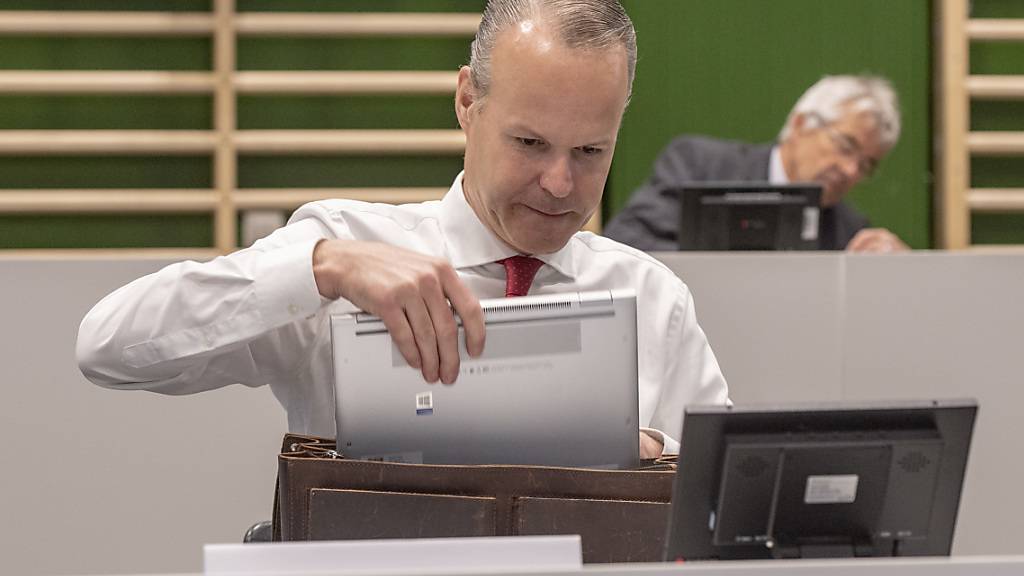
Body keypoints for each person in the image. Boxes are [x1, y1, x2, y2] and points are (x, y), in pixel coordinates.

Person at [76, 0, 728, 458]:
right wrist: (320, 267)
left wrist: (658, 463)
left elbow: (717, 517)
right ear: (468, 102)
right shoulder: (343, 251)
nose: (561, 184)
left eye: (591, 152)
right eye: (530, 143)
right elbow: (108, 347)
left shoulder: (654, 298)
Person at [604, 75, 910, 253]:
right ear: (802, 124)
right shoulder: (699, 167)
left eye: (866, 165)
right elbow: (625, 241)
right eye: (846, 146)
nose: (851, 171)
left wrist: (899, 273)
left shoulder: (850, 232)